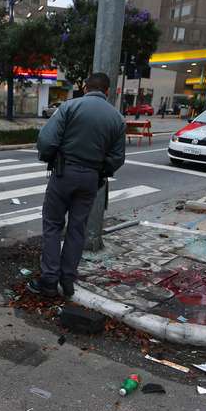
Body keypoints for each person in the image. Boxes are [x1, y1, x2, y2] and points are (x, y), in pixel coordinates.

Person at [28, 72, 126, 297]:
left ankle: (49, 281)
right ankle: (68, 280)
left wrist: (49, 156)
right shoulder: (117, 118)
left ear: (85, 87)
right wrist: (101, 171)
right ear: (107, 91)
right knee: (77, 229)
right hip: (91, 178)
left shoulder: (69, 107)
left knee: (53, 225)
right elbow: (117, 158)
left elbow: (46, 140)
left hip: (64, 173)